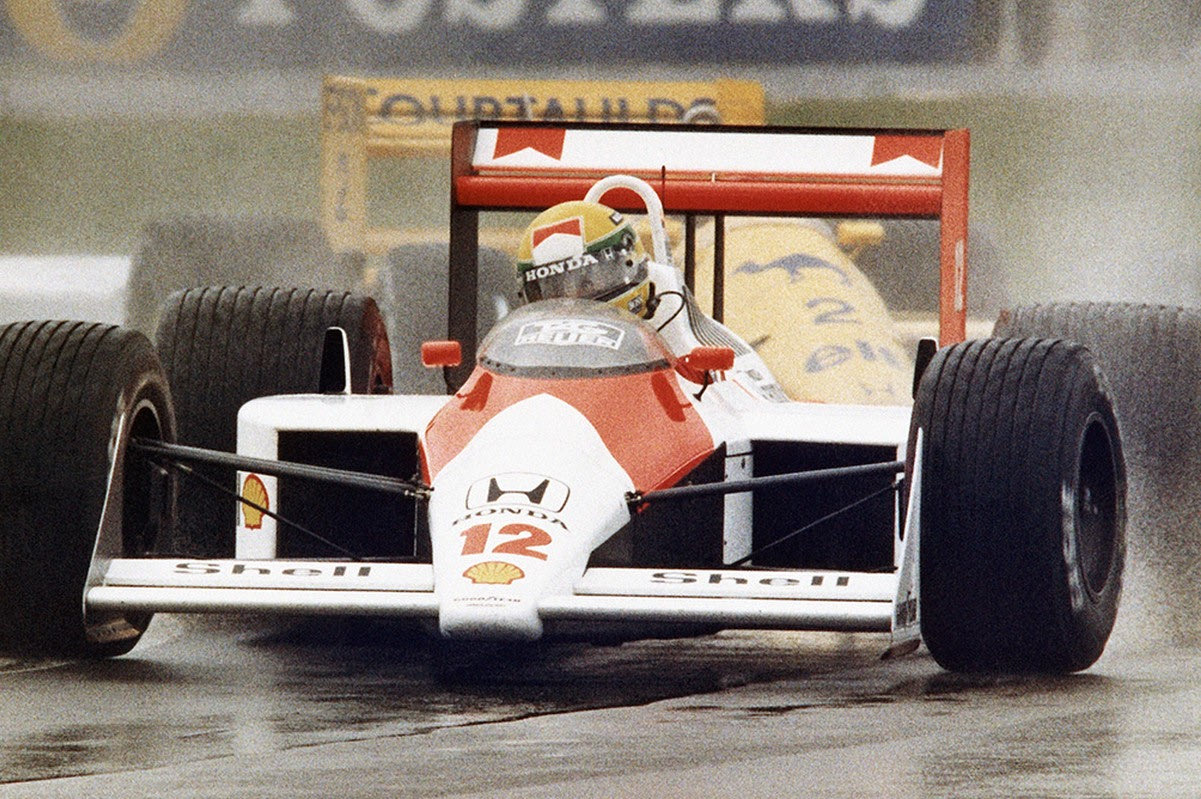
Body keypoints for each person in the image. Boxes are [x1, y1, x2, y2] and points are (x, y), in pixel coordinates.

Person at [515, 198, 788, 402]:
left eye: (588, 282)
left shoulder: (684, 335)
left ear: (631, 265)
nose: (572, 300)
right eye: (553, 290)